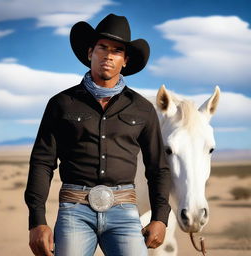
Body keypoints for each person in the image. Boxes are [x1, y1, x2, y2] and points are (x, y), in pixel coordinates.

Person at [25, 13, 171, 256]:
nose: (108, 55)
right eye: (102, 47)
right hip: (74, 211)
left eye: (117, 50)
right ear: (90, 53)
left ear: (125, 60)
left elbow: (158, 168)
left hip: (124, 211)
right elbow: (41, 162)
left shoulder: (142, 109)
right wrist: (37, 221)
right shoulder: (61, 104)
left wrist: (161, 218)